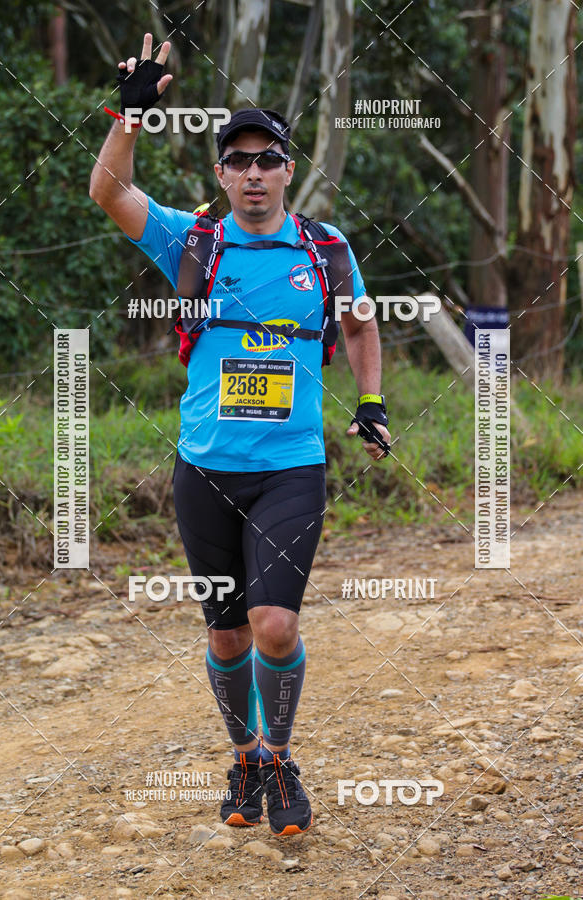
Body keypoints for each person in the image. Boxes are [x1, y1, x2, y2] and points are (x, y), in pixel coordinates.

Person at [90, 33, 391, 838]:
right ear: (221, 174)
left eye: (268, 159)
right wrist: (131, 112)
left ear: (289, 169)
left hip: (292, 466)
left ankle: (280, 755)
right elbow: (109, 190)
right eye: (239, 161)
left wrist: (372, 401)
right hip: (206, 470)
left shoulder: (325, 251)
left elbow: (361, 324)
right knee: (224, 636)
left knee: (274, 625)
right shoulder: (194, 240)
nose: (254, 173)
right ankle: (246, 756)